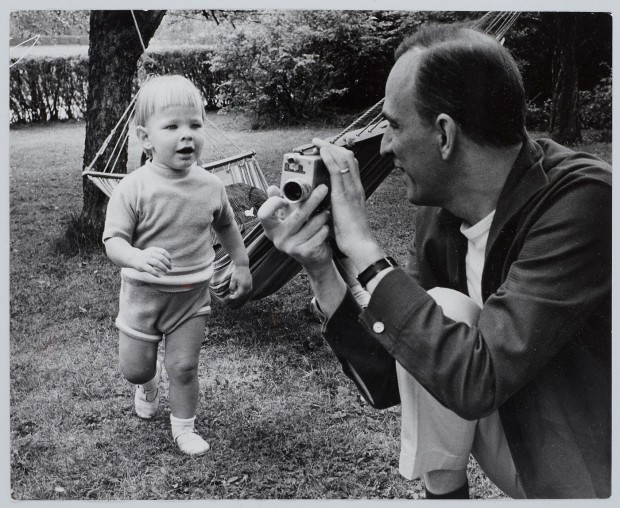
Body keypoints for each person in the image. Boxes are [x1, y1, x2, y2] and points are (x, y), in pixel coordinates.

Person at [258, 23, 611, 499]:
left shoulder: (584, 201)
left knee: (439, 311)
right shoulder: (443, 213)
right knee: (439, 312)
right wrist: (322, 266)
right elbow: (394, 375)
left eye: (395, 125)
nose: (384, 146)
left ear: (444, 134)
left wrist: (364, 247)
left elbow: (477, 382)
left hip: (594, 470)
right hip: (526, 444)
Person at [103, 75, 252, 456]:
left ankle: (184, 428)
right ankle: (147, 385)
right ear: (144, 137)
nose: (186, 135)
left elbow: (227, 226)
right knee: (135, 369)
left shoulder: (210, 185)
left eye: (194, 124)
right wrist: (136, 256)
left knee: (184, 367)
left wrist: (241, 263)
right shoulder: (132, 188)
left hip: (191, 297)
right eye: (172, 126)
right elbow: (113, 242)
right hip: (143, 297)